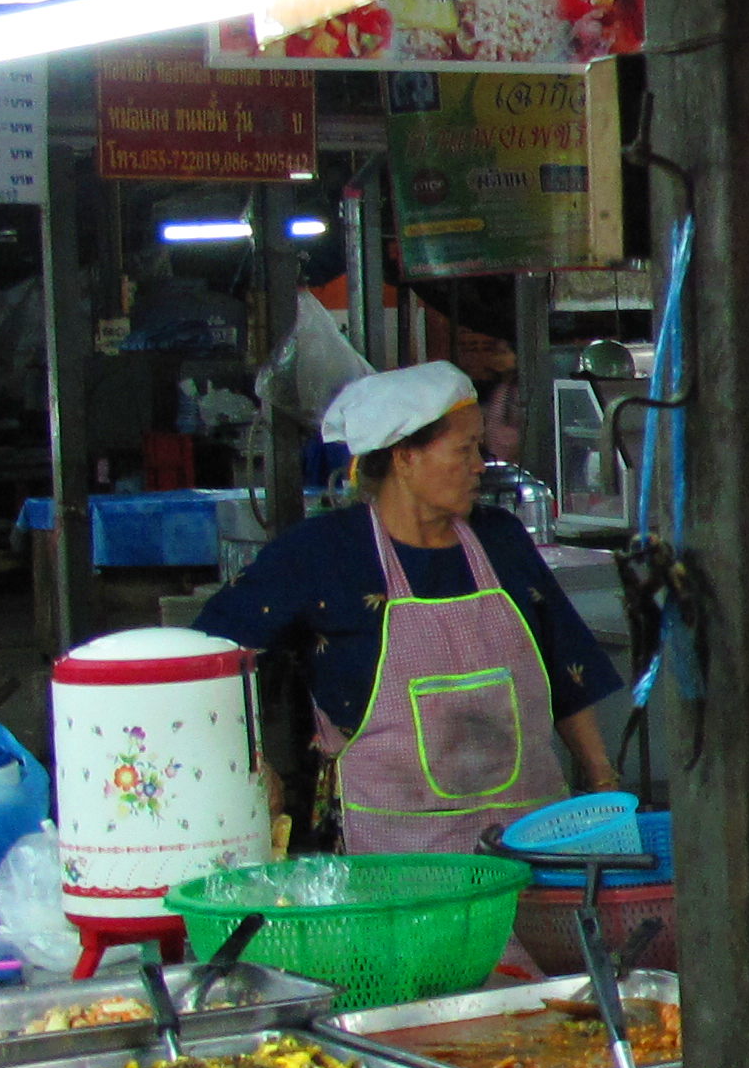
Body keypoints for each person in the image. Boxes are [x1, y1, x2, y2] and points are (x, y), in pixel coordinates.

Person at [197, 361, 622, 855]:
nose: (480, 465)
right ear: (405, 458)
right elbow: (210, 658)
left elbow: (565, 669)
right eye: (464, 449)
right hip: (390, 852)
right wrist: (248, 763)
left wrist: (602, 783)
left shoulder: (500, 539)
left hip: (530, 840)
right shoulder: (323, 555)